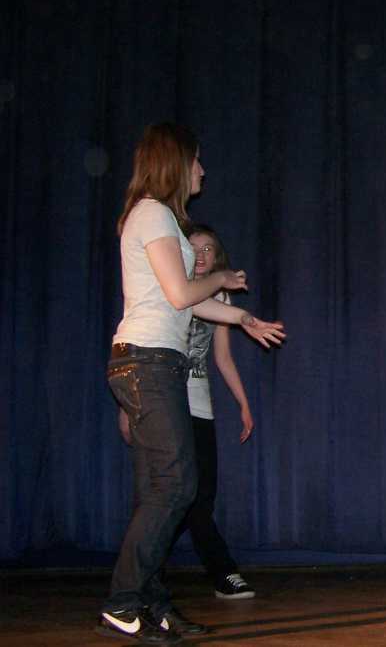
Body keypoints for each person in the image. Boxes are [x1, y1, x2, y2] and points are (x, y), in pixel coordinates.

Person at [100, 124, 285, 645]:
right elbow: (182, 294)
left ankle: (152, 604)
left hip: (153, 362)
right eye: (196, 160)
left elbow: (183, 301)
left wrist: (242, 317)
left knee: (157, 490)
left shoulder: (161, 219)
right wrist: (222, 279)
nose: (202, 169)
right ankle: (122, 601)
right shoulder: (153, 213)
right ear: (175, 162)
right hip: (148, 361)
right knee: (178, 486)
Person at [117, 224, 259, 601]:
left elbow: (223, 358)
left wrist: (244, 404)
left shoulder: (220, 296)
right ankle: (219, 570)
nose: (201, 256)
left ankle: (146, 568)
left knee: (200, 495)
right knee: (170, 492)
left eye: (208, 249)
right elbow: (138, 345)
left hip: (199, 406)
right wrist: (127, 407)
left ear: (217, 257)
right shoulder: (167, 287)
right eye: (194, 248)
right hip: (163, 400)